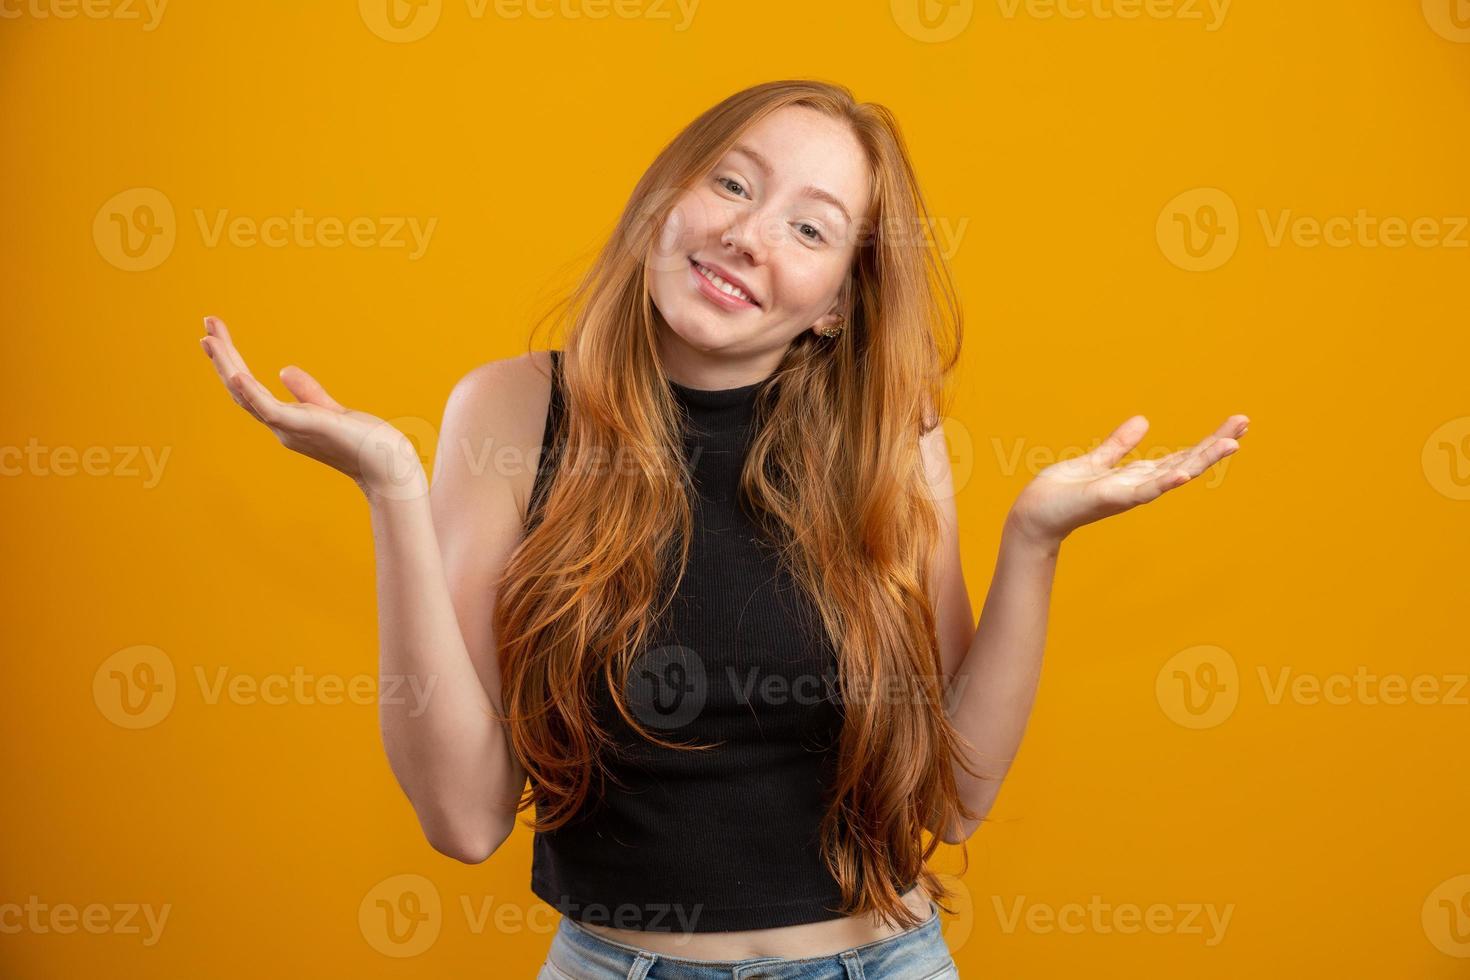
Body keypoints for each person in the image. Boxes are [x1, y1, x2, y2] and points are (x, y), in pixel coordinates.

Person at [197, 78, 1247, 979]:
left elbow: (955, 801)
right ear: (667, 195)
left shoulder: (888, 437)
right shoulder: (512, 412)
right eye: (733, 183)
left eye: (810, 226)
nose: (748, 233)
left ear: (838, 301)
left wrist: (1034, 542)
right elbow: (464, 819)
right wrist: (391, 491)